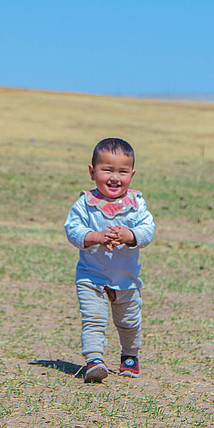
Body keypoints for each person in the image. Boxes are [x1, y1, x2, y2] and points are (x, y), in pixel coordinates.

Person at [63, 137, 155, 382]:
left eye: (122, 172)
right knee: (93, 319)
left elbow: (148, 230)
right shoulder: (85, 204)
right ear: (92, 172)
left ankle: (129, 355)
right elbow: (72, 230)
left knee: (129, 322)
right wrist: (95, 236)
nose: (115, 178)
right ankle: (95, 360)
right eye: (107, 170)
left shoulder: (136, 204)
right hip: (91, 276)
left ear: (132, 174)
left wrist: (131, 235)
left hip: (125, 278)